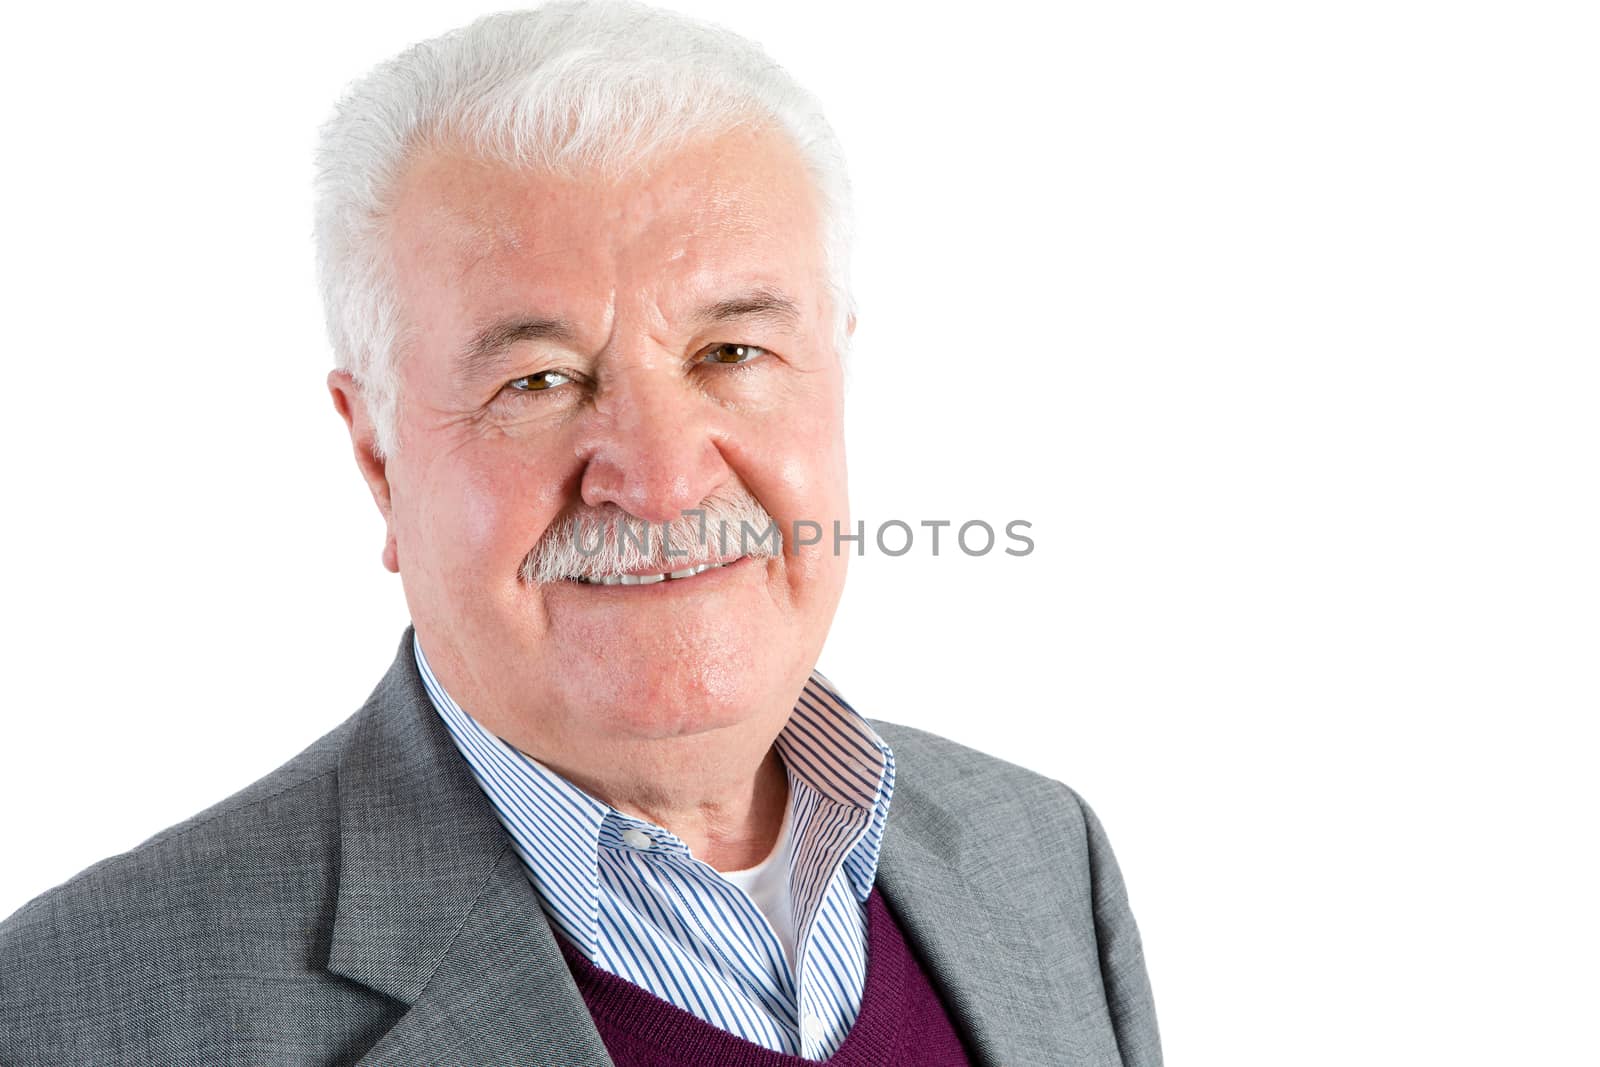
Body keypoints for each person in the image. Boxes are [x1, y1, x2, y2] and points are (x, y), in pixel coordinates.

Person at [0, 3, 1160, 1063]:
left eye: (731, 353)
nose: (658, 482)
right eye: (541, 379)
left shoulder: (1040, 856)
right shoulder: (80, 1007)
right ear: (377, 455)